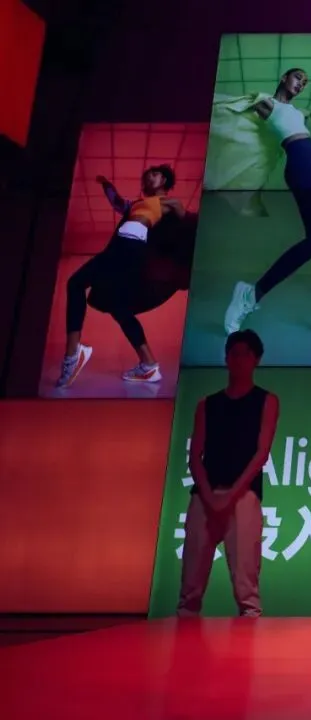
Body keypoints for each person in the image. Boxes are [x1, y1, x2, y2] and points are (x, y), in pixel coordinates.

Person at [222, 68, 311, 336]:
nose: (301, 84)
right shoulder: (268, 102)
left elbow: (294, 120)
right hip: (300, 166)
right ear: (283, 78)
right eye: (297, 78)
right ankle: (251, 294)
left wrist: (303, 114)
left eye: (305, 82)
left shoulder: (296, 112)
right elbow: (243, 115)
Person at [177, 330, 280, 618]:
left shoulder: (266, 401)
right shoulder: (206, 404)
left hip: (244, 496)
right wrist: (210, 496)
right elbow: (195, 456)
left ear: (256, 359)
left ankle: (248, 644)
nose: (238, 360)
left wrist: (231, 495)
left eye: (245, 354)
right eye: (233, 354)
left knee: (247, 592)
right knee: (189, 590)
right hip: (204, 497)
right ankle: (184, 642)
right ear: (226, 358)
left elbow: (261, 454)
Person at [57, 166, 185, 387]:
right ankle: (149, 365)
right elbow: (117, 202)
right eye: (147, 176)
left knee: (76, 283)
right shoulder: (135, 204)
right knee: (119, 308)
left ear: (164, 179)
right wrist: (106, 184)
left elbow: (186, 226)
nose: (149, 178)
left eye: (154, 174)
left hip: (133, 250)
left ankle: (73, 354)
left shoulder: (170, 203)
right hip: (119, 249)